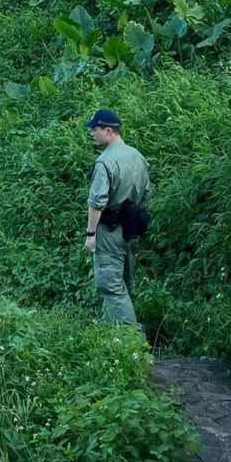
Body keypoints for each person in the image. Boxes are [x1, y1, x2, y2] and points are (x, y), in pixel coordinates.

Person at [83, 109, 150, 333]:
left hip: (110, 229)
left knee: (109, 284)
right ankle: (111, 333)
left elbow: (96, 202)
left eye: (95, 129)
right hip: (133, 228)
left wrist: (90, 235)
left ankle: (133, 339)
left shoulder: (105, 162)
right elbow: (146, 193)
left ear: (108, 130)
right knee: (125, 281)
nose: (92, 133)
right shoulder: (137, 156)